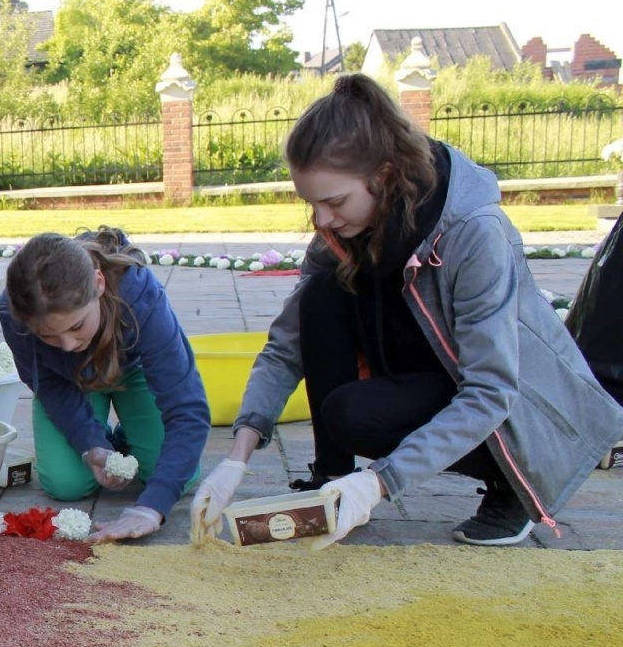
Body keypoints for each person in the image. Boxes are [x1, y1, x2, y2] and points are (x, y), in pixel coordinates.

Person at [190, 73, 623, 548]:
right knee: (320, 298)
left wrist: (378, 483)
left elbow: (491, 390)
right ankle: (330, 481)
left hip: (517, 413)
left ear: (385, 175)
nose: (321, 220)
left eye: (333, 202)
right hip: (426, 374)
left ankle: (512, 485)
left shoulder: (474, 232)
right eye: (310, 204)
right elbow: (287, 345)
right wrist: (237, 456)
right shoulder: (344, 230)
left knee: (353, 415)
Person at [0, 228, 211, 544]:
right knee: (65, 484)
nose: (68, 345)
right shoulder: (14, 313)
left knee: (173, 474)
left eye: (76, 326)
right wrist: (90, 445)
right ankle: (111, 443)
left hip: (134, 373)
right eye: (49, 336)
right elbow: (50, 387)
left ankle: (130, 438)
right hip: (70, 383)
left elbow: (187, 408)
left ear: (98, 284)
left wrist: (151, 509)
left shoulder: (139, 294)